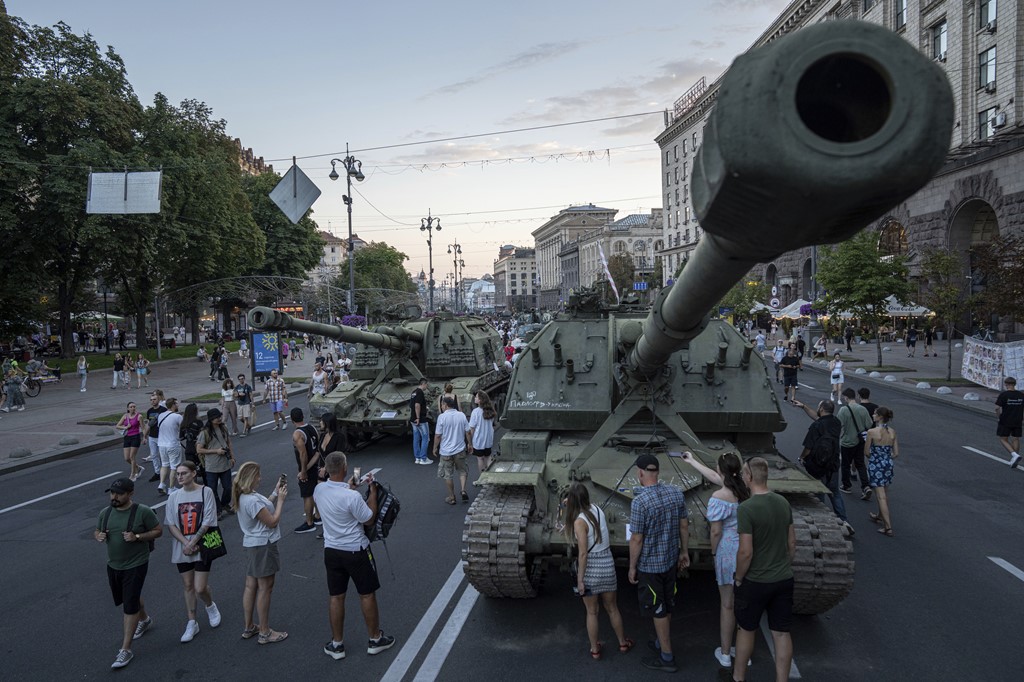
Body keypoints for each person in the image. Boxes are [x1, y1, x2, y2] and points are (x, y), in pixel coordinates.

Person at [314, 452, 397, 660]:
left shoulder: (319, 490)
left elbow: (335, 494)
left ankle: (337, 644)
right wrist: (372, 490)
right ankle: (375, 639)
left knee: (336, 596)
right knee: (367, 594)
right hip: (356, 550)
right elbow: (369, 519)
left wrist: (348, 486)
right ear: (344, 468)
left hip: (332, 551)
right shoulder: (351, 497)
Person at [681, 451, 750, 668]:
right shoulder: (745, 490)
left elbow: (715, 532)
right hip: (747, 550)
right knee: (745, 604)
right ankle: (744, 654)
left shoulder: (719, 498)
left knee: (727, 605)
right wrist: (692, 461)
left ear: (722, 471)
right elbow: (714, 476)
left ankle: (726, 654)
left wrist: (713, 553)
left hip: (727, 551)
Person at [733, 458, 796, 682]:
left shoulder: (747, 508)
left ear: (749, 477)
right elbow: (792, 544)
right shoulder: (782, 502)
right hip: (783, 579)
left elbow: (745, 552)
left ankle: (738, 677)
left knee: (746, 629)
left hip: (756, 581)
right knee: (781, 632)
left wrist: (739, 578)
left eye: (743, 474)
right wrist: (781, 566)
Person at [627, 453, 688, 673]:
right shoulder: (675, 493)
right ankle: (660, 643)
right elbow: (684, 526)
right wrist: (685, 552)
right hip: (670, 561)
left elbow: (637, 538)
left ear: (640, 473)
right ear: (658, 472)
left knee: (658, 609)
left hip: (650, 566)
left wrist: (632, 567)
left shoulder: (640, 502)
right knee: (667, 602)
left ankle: (667, 657)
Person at [94, 477, 163, 669]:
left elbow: (158, 531)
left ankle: (125, 650)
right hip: (114, 565)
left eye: (119, 494)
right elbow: (97, 530)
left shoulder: (142, 512)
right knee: (128, 598)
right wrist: (98, 536)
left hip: (136, 563)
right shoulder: (105, 513)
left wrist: (138, 536)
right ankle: (145, 619)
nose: (114, 497)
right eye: (112, 493)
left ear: (130, 494)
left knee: (129, 605)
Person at [563, 482, 632, 660]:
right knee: (612, 608)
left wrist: (580, 580)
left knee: (592, 612)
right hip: (607, 563)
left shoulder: (579, 521)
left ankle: (595, 649)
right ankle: (622, 642)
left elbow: (583, 553)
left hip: (591, 567)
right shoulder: (598, 510)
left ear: (572, 501)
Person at [165, 462, 222, 643]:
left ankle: (210, 605)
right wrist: (186, 543)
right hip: (182, 547)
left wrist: (193, 542)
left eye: (183, 473)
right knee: (188, 585)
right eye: (178, 474)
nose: (179, 477)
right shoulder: (174, 496)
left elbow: (208, 519)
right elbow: (171, 524)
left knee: (200, 587)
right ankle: (192, 622)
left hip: (202, 544)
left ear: (193, 474)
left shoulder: (206, 492)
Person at [232, 461, 288, 644]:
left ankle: (249, 626)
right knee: (265, 588)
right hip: (263, 545)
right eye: (258, 475)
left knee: (251, 586)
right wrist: (280, 500)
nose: (260, 478)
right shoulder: (252, 499)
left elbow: (261, 510)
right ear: (251, 478)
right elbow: (272, 521)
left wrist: (273, 493)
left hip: (251, 545)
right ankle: (264, 632)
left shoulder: (244, 496)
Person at [792, 399, 853, 535]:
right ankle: (843, 521)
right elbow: (817, 417)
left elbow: (808, 447)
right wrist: (804, 406)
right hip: (833, 464)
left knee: (819, 494)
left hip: (818, 466)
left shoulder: (817, 426)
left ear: (821, 409)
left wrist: (802, 457)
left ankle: (822, 521)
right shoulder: (836, 423)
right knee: (835, 493)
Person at [865, 406, 899, 537]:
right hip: (888, 464)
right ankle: (879, 516)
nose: (873, 415)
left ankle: (888, 527)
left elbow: (866, 452)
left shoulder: (872, 432)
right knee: (885, 492)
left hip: (876, 464)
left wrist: (876, 458)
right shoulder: (892, 432)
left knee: (880, 496)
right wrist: (886, 457)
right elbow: (896, 453)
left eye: (874, 414)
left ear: (879, 417)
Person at [197, 408, 235, 517]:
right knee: (212, 490)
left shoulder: (223, 428)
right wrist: (216, 451)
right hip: (211, 466)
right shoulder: (205, 432)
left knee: (228, 488)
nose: (219, 418)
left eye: (219, 416)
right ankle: (217, 509)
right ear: (211, 419)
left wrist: (232, 457)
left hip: (225, 463)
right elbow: (199, 449)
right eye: (216, 417)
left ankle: (224, 504)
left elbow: (229, 442)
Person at [434, 396, 471, 505]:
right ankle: (463, 490)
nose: (441, 406)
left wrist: (435, 447)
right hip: (460, 450)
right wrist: (470, 444)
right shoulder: (461, 415)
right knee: (463, 471)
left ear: (445, 405)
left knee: (448, 475)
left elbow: (438, 435)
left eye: (442, 404)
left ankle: (452, 497)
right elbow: (468, 432)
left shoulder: (442, 417)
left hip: (446, 451)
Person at [837, 388, 873, 500]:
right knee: (860, 464)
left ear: (847, 397)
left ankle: (846, 486)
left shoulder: (843, 410)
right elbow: (869, 424)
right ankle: (866, 486)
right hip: (860, 441)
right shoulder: (862, 409)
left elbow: (838, 425)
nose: (843, 399)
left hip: (847, 441)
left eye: (844, 397)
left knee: (845, 464)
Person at [292, 407, 322, 534]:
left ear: (292, 419)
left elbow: (303, 454)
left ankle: (309, 523)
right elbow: (318, 447)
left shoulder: (297, 434)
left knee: (307, 496)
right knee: (316, 493)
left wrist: (303, 471)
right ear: (302, 417)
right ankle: (318, 517)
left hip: (307, 468)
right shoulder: (313, 428)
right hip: (315, 465)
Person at [156, 398, 184, 496]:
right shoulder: (177, 417)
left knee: (164, 465)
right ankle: (171, 488)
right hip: (173, 444)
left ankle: (162, 484)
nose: (178, 405)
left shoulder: (160, 415)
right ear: (173, 405)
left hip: (161, 444)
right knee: (174, 467)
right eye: (177, 404)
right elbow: (183, 428)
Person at [467, 390, 496, 484]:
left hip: (479, 439)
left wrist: (469, 442)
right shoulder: (490, 410)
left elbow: (472, 428)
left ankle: (482, 479)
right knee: (488, 457)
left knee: (480, 459)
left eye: (476, 397)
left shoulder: (476, 412)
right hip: (488, 438)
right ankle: (491, 476)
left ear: (480, 400)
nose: (475, 398)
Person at [995, 377, 1023, 469]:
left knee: (1003, 439)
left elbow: (997, 408)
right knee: (1015, 439)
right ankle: (1015, 458)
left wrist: (999, 417)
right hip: (1018, 420)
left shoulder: (1004, 394)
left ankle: (1014, 455)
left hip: (1006, 420)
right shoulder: (1021, 395)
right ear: (1014, 384)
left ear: (1006, 384)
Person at [142, 391, 167, 483]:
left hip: (161, 436)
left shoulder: (163, 410)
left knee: (163, 456)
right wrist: (144, 436)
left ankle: (165, 471)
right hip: (152, 437)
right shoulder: (149, 411)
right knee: (154, 455)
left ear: (159, 400)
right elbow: (149, 424)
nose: (152, 401)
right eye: (151, 400)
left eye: (154, 399)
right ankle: (157, 473)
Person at [115, 402, 144, 481]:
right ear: (128, 408)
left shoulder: (139, 416)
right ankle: (138, 468)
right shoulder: (125, 416)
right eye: (131, 407)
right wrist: (125, 427)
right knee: (126, 458)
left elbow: (143, 428)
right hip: (127, 437)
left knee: (132, 457)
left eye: (134, 406)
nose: (133, 408)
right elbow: (117, 426)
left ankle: (133, 474)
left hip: (136, 437)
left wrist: (144, 437)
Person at [409, 377, 431, 465]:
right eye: (427, 384)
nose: (427, 386)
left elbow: (411, 405)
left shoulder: (413, 392)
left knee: (416, 438)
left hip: (412, 419)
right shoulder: (420, 392)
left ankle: (417, 458)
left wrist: (414, 417)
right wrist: (418, 417)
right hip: (420, 419)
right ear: (423, 384)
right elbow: (417, 405)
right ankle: (423, 458)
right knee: (425, 438)